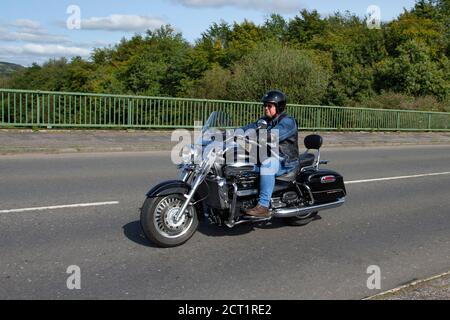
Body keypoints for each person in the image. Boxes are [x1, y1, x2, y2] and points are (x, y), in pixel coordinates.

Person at [240, 90, 299, 217]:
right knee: (240, 164)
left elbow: (274, 135)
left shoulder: (288, 122)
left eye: (269, 106)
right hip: (266, 156)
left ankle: (263, 206)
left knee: (267, 164)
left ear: (279, 107)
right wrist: (226, 133)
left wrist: (255, 136)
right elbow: (247, 128)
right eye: (265, 106)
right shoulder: (264, 121)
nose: (266, 108)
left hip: (285, 161)